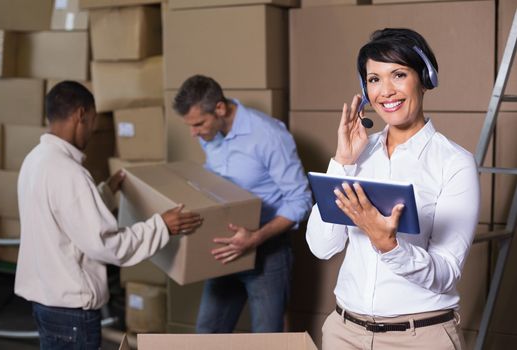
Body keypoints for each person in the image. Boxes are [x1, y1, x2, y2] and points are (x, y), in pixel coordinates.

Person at [306, 28, 480, 350]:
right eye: (374, 79)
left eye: (398, 74)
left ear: (425, 77)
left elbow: (446, 274)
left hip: (419, 337)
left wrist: (389, 246)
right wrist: (342, 161)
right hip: (344, 333)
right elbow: (322, 246)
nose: (386, 91)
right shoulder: (357, 155)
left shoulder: (454, 163)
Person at [15, 81, 202, 350]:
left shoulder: (35, 160)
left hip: (47, 306)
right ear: (81, 115)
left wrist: (105, 193)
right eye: (92, 121)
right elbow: (107, 245)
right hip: (72, 315)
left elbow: (63, 217)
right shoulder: (70, 173)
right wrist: (161, 226)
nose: (92, 130)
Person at [172, 75, 312, 333]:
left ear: (220, 108)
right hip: (225, 248)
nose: (194, 134)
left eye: (199, 124)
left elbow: (301, 200)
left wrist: (256, 238)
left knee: (266, 343)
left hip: (267, 252)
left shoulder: (269, 135)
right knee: (206, 336)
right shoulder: (210, 134)